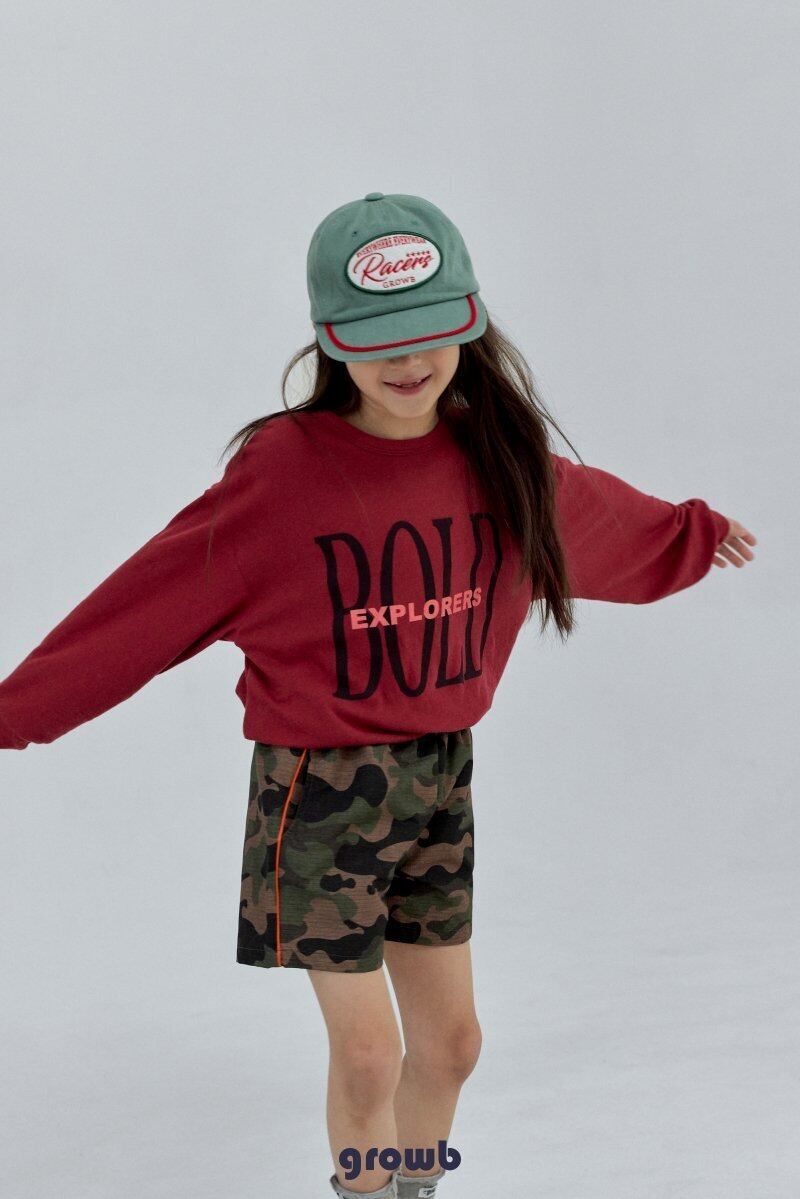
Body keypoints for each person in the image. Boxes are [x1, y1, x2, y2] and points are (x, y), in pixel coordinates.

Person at [0, 191, 756, 1198]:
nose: (409, 361)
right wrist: (14, 712)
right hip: (320, 789)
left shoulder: (498, 458)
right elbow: (146, 603)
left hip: (440, 776)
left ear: (469, 323)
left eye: (430, 332)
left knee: (453, 1044)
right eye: (378, 341)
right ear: (331, 341)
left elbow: (597, 518)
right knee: (367, 1056)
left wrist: (692, 535)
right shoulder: (283, 473)